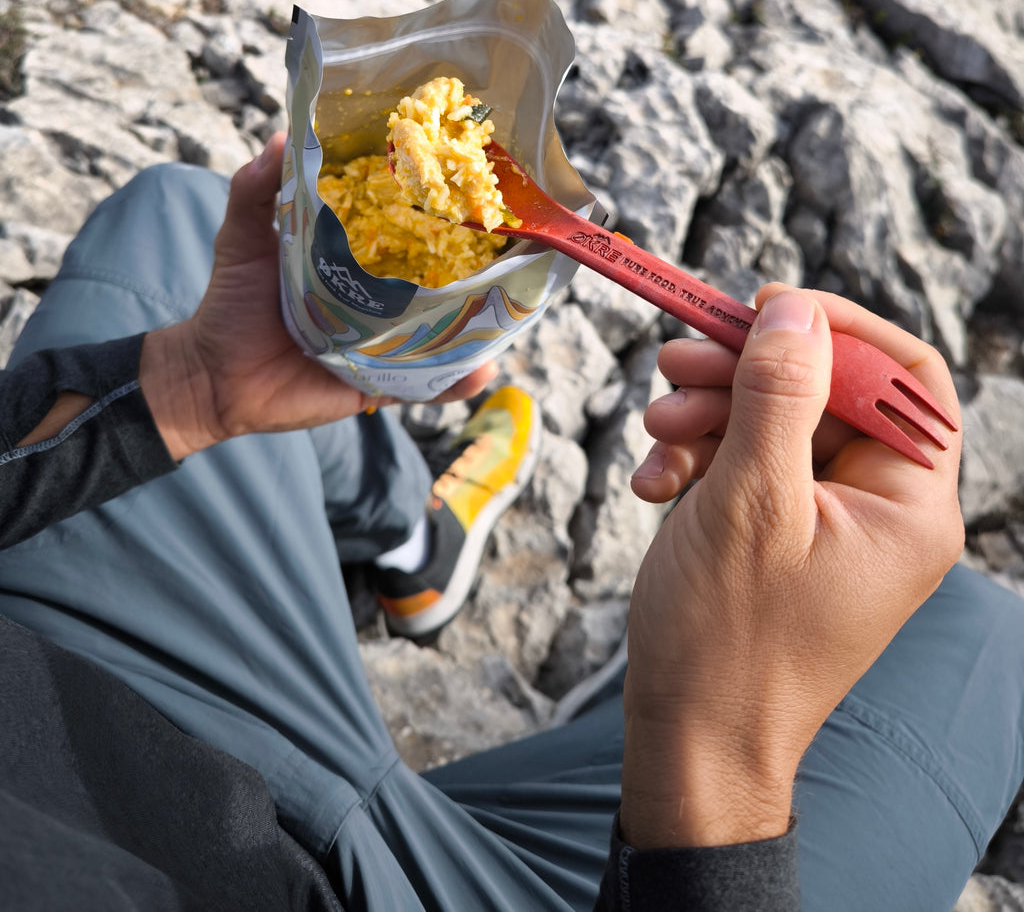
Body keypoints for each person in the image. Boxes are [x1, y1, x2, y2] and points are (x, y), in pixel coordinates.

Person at [0, 134, 1022, 911]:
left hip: (90, 677)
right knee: (974, 628)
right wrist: (713, 767)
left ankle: (413, 543)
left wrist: (189, 387)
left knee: (190, 227)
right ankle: (632, 690)